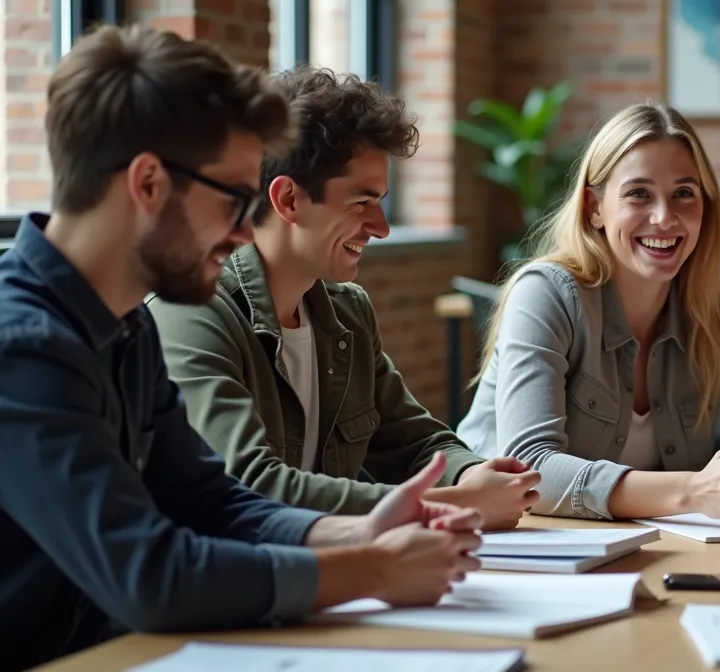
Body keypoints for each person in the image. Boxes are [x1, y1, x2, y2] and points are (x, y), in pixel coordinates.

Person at [0, 26, 482, 670]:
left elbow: (212, 500)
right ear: (148, 184)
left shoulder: (122, 326)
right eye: (234, 198)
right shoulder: (23, 348)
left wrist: (358, 531)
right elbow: (147, 574)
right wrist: (368, 569)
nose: (242, 230)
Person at [147, 65, 538, 530]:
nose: (381, 227)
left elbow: (415, 442)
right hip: (236, 593)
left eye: (382, 201)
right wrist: (449, 503)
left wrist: (475, 474)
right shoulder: (192, 311)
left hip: (332, 581)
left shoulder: (348, 313)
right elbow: (252, 486)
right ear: (288, 199)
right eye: (360, 202)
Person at [456, 103, 720, 523]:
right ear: (594, 207)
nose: (665, 218)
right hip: (501, 543)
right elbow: (528, 471)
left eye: (684, 193)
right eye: (638, 194)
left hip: (642, 546)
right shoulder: (545, 295)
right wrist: (694, 491)